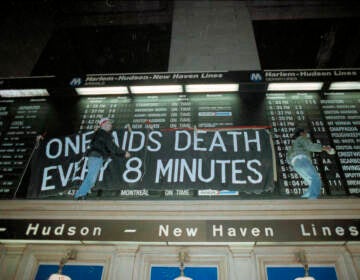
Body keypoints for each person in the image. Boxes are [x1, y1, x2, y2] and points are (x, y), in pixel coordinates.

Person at [74, 117, 130, 200]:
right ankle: (79, 194)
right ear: (102, 124)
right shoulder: (103, 133)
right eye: (108, 123)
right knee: (91, 177)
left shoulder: (99, 133)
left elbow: (110, 149)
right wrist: (123, 153)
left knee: (92, 177)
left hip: (96, 157)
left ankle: (82, 193)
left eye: (110, 124)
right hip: (96, 157)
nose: (110, 125)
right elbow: (112, 147)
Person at [287, 127, 333, 200]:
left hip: (295, 164)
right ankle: (313, 199)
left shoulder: (293, 146)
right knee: (316, 178)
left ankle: (306, 199)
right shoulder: (302, 138)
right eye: (305, 133)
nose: (307, 134)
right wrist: (325, 148)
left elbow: (288, 159)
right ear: (301, 133)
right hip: (302, 159)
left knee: (311, 182)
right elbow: (310, 146)